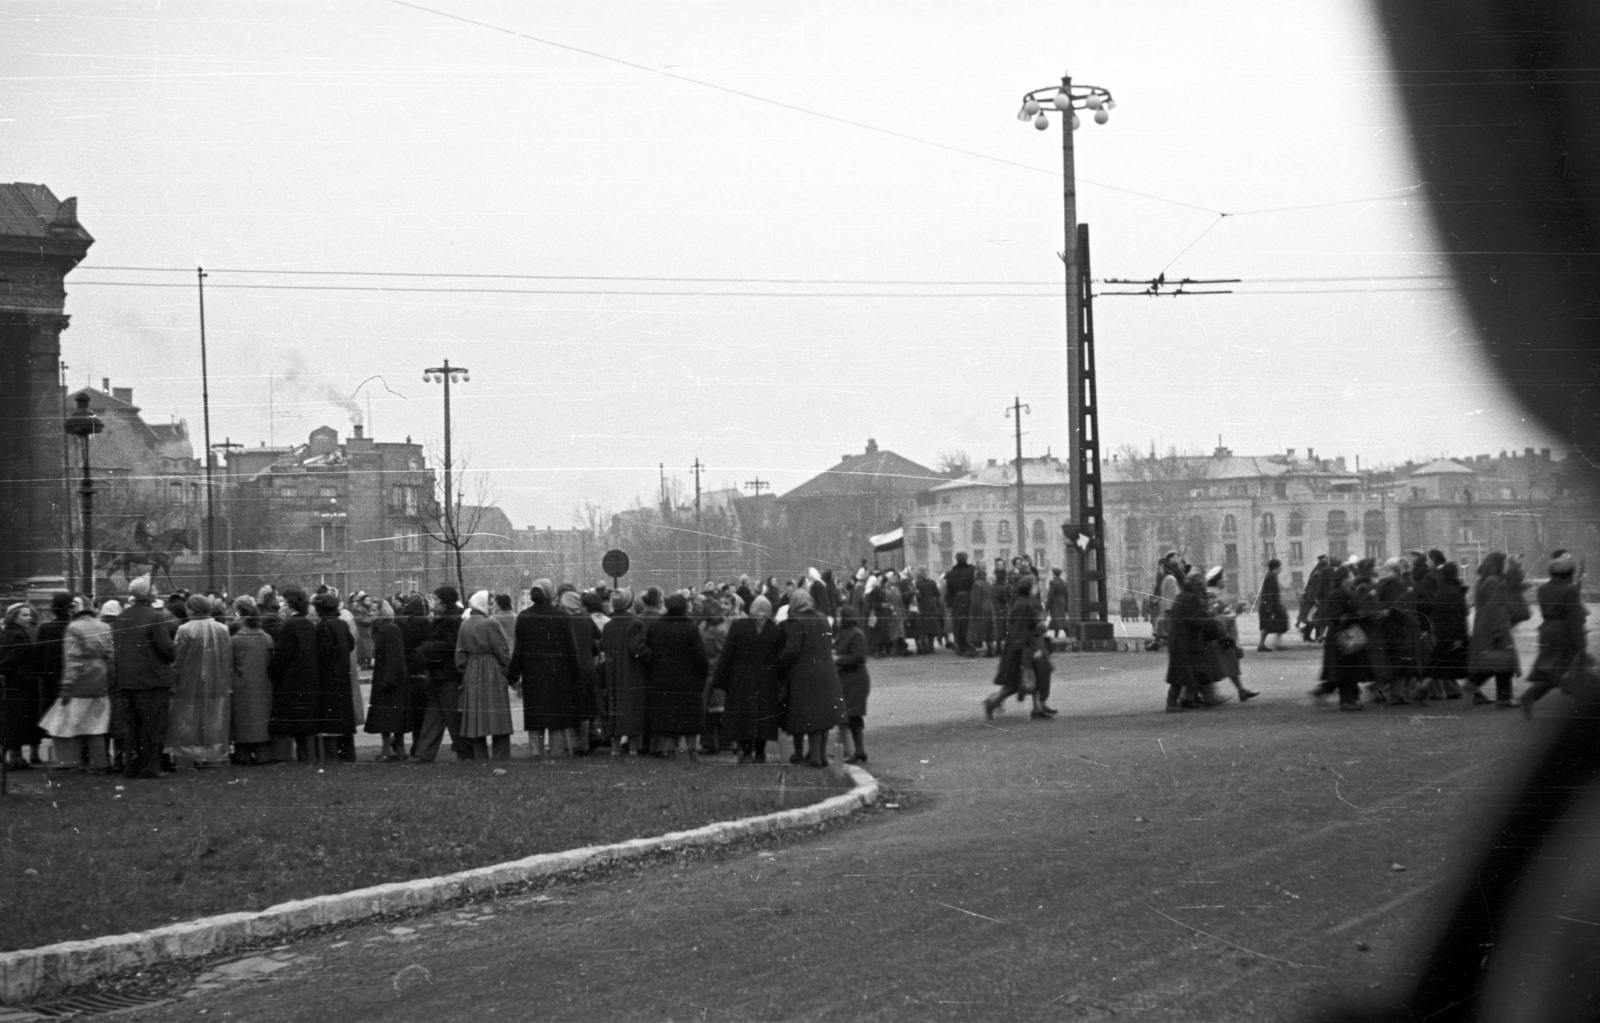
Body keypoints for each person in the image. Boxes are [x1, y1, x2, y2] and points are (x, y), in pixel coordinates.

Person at [109, 577, 178, 778]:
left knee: (131, 728)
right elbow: (166, 650)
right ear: (148, 594)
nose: (156, 591)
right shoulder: (155, 617)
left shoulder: (122, 617)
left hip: (127, 681)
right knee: (153, 727)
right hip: (152, 680)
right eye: (154, 588)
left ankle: (131, 768)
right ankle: (150, 768)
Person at [508, 582, 584, 757]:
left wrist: (513, 675)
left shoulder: (524, 617)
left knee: (535, 715)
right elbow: (570, 649)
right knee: (556, 716)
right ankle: (556, 752)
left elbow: (519, 649)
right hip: (558, 671)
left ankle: (536, 752)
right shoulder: (561, 616)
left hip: (532, 671)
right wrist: (575, 676)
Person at [775, 588, 847, 768]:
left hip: (805, 675)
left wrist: (777, 663)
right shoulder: (823, 618)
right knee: (823, 717)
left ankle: (814, 758)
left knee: (811, 717)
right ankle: (820, 756)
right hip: (827, 672)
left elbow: (792, 650)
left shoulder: (796, 621)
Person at [41, 596, 113, 772]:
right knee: (96, 725)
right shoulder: (104, 626)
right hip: (100, 678)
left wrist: (66, 686)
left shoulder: (73, 628)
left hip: (80, 682)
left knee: (63, 723)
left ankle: (71, 761)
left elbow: (72, 659)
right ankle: (100, 763)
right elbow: (110, 654)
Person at [712, 594, 785, 764]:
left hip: (741, 680)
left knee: (743, 716)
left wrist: (721, 680)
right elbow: (780, 658)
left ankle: (746, 752)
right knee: (763, 715)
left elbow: (727, 654)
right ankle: (760, 753)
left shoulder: (739, 626)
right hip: (766, 681)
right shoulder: (775, 630)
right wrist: (780, 680)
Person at [640, 592, 708, 758]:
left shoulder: (657, 626)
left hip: (662, 679)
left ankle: (670, 751)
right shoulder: (690, 627)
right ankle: (692, 750)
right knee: (690, 718)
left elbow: (648, 651)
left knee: (667, 719)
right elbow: (700, 655)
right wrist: (702, 675)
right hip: (688, 680)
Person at [984, 573, 1055, 720]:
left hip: (1020, 645)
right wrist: (1044, 624)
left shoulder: (1020, 602)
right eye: (1035, 585)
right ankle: (992, 702)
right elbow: (1037, 625)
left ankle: (1037, 707)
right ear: (1030, 588)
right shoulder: (1028, 603)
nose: (1037, 587)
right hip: (1027, 646)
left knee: (1035, 676)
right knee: (1016, 683)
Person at [456, 589, 514, 760]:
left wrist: (465, 670)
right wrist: (506, 669)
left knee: (476, 716)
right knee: (498, 715)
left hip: (472, 670)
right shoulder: (490, 623)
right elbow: (502, 650)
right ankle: (501, 756)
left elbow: (459, 655)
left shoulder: (465, 624)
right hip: (491, 670)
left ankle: (480, 757)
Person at [414, 585, 469, 761]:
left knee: (451, 716)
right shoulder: (449, 617)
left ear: (445, 602)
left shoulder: (452, 619)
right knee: (434, 714)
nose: (433, 603)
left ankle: (464, 753)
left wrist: (426, 651)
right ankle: (424, 754)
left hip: (448, 674)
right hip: (439, 673)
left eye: (436, 600)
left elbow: (449, 645)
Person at [1466, 551, 1526, 707]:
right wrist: (1499, 630)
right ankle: (1503, 698)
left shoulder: (1485, 579)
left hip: (1484, 624)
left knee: (1495, 660)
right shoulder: (1494, 581)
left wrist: (1515, 566)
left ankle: (1474, 684)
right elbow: (1495, 607)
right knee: (1503, 660)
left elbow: (1513, 583)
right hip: (1494, 625)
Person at [268, 585, 320, 762]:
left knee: (292, 722)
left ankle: (294, 756)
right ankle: (307, 756)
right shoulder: (308, 625)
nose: (281, 606)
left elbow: (281, 656)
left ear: (290, 606)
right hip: (309, 680)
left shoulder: (289, 626)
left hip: (291, 680)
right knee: (305, 723)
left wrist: (272, 671)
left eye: (283, 603)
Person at [362, 599, 412, 760]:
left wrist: (389, 680)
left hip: (392, 677)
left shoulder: (391, 629)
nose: (371, 613)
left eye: (375, 610)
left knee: (394, 716)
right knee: (384, 715)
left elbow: (395, 656)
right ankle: (388, 749)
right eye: (371, 610)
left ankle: (397, 749)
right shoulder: (378, 630)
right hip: (383, 674)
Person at [601, 589, 650, 754]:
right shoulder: (635, 623)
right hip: (631, 671)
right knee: (632, 708)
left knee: (614, 707)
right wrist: (648, 655)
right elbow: (636, 648)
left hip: (613, 672)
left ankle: (615, 749)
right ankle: (633, 749)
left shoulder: (608, 625)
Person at [1165, 570, 1221, 712]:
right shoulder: (1192, 599)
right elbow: (1194, 620)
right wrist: (1212, 623)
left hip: (1179, 640)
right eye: (1201, 584)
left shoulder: (1181, 596)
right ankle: (1172, 704)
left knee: (1187, 672)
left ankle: (1189, 700)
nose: (1203, 587)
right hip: (1188, 642)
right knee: (1186, 673)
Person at [228, 596, 274, 766]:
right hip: (263, 685)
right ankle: (263, 755)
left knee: (243, 722)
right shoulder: (267, 638)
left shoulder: (235, 640)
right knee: (261, 721)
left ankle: (243, 755)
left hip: (241, 686)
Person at [312, 590, 356, 761]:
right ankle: (347, 752)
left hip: (328, 677)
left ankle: (331, 754)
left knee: (330, 718)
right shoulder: (342, 624)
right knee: (344, 717)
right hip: (342, 675)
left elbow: (322, 653)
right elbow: (351, 644)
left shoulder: (323, 626)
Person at [0, 602, 44, 769]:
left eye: (29, 614)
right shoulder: (18, 635)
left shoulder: (7, 632)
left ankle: (10, 757)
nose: (29, 618)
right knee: (16, 722)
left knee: (9, 720)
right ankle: (16, 759)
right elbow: (12, 659)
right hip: (19, 684)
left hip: (10, 684)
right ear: (14, 616)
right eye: (24, 615)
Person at [832, 605, 871, 761]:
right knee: (851, 716)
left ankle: (858, 750)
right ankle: (857, 750)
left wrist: (838, 659)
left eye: (839, 616)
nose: (837, 618)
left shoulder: (856, 634)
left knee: (853, 715)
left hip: (855, 680)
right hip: (848, 680)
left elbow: (859, 657)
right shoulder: (844, 633)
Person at [1256, 559, 1289, 652]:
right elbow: (1268, 593)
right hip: (1271, 606)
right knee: (1273, 623)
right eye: (1280, 566)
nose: (1281, 568)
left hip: (1272, 605)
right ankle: (1274, 644)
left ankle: (1265, 644)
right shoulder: (1271, 577)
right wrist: (1268, 608)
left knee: (1271, 624)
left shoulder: (1271, 576)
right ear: (1276, 567)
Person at [945, 552, 975, 655]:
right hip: (968, 599)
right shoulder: (971, 570)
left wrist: (950, 603)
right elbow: (973, 586)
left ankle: (961, 645)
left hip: (957, 600)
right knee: (968, 622)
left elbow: (949, 591)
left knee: (958, 623)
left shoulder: (950, 573)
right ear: (966, 559)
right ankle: (969, 646)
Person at [966, 566, 995, 657]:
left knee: (973, 629)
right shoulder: (989, 584)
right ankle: (990, 649)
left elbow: (975, 601)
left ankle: (972, 649)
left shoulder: (976, 584)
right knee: (988, 630)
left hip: (980, 610)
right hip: (989, 608)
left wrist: (972, 612)